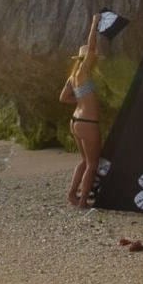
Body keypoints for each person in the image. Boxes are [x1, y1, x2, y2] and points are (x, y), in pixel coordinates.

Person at [59, 13, 102, 208]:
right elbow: (91, 46)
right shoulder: (84, 72)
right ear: (86, 58)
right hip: (88, 123)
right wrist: (95, 23)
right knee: (92, 164)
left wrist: (83, 99)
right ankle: (83, 201)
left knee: (84, 161)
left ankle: (71, 195)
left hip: (75, 120)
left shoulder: (72, 77)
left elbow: (63, 98)